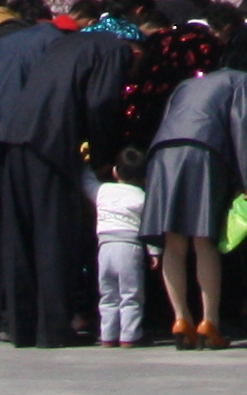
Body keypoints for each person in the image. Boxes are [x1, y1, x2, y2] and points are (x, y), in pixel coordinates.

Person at [0, 0, 134, 345]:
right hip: (51, 145)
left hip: (15, 141)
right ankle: (53, 329)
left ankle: (23, 327)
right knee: (52, 234)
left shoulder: (64, 47)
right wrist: (104, 156)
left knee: (20, 237)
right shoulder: (115, 49)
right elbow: (102, 101)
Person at [146, 23, 247, 348]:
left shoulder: (188, 83)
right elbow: (243, 126)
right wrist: (246, 178)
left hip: (162, 152)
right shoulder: (244, 80)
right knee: (204, 240)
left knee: (173, 241)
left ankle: (180, 316)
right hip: (203, 151)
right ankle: (209, 320)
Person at [92, 148, 152, 347]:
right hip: (129, 248)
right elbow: (148, 226)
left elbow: (87, 184)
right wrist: (155, 252)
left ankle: (107, 335)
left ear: (115, 171)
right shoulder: (142, 197)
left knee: (108, 294)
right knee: (131, 294)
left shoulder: (103, 191)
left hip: (105, 248)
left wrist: (84, 167)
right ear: (144, 178)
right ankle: (130, 336)